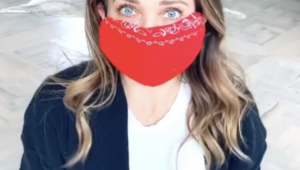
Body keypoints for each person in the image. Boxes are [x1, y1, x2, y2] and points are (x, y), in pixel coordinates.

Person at [19, 0, 267, 170]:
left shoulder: (235, 109)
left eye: (171, 12)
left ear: (201, 17)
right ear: (102, 13)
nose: (150, 30)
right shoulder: (55, 106)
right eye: (128, 9)